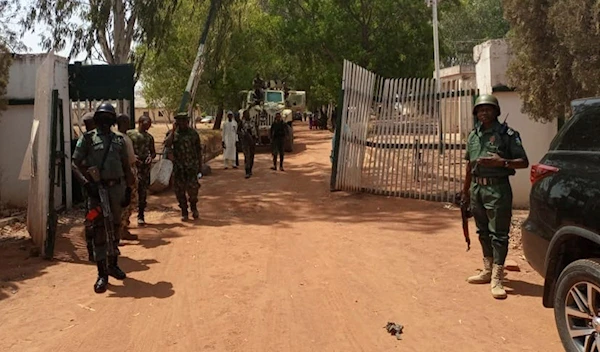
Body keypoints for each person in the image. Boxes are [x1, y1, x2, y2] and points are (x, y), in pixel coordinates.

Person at [462, 94, 529, 300]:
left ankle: (498, 276)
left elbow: (524, 162)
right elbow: (469, 166)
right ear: (476, 113)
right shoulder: (473, 136)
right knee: (482, 231)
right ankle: (487, 269)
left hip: (498, 190)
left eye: (488, 109)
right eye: (480, 109)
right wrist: (465, 192)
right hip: (477, 189)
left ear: (496, 111)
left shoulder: (507, 134)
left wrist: (502, 163)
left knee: (499, 234)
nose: (484, 112)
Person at [72, 103, 134, 293]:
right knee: (98, 230)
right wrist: (87, 184)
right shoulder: (88, 139)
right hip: (96, 191)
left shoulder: (119, 140)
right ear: (97, 119)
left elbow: (126, 166)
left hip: (116, 190)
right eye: (103, 117)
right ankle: (102, 274)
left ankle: (113, 263)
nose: (106, 121)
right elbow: (75, 164)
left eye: (109, 117)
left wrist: (129, 190)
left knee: (115, 228)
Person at [164, 112, 203, 221]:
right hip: (178, 167)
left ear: (187, 121)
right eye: (179, 121)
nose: (182, 123)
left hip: (191, 167)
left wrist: (200, 166)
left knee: (193, 190)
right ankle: (184, 211)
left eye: (184, 120)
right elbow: (167, 144)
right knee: (179, 191)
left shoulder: (193, 134)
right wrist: (173, 130)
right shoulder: (173, 134)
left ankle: (194, 208)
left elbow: (198, 151)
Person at [127, 115, 156, 225]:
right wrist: (133, 157)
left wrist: (150, 157)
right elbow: (125, 149)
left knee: (143, 192)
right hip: (132, 168)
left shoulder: (149, 137)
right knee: (130, 193)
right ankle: (126, 218)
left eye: (149, 125)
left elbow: (152, 152)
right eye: (146, 124)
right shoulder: (131, 134)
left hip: (144, 169)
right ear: (140, 122)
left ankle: (141, 215)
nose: (148, 127)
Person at [116, 114, 139, 241]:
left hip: (131, 168)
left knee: (132, 202)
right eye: (126, 121)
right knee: (127, 201)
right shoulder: (119, 138)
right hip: (126, 172)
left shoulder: (126, 137)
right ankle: (119, 231)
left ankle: (124, 229)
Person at [81, 111, 96, 261]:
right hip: (91, 188)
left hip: (102, 186)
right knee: (91, 217)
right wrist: (86, 182)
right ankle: (91, 250)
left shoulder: (102, 139)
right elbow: (76, 164)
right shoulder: (85, 141)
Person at [240, 110, 257, 178]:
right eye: (246, 114)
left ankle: (250, 169)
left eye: (248, 114)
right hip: (245, 140)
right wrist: (242, 134)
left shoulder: (253, 121)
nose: (247, 115)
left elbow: (256, 128)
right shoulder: (241, 122)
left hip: (252, 139)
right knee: (247, 155)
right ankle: (247, 171)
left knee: (251, 155)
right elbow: (238, 131)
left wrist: (258, 138)